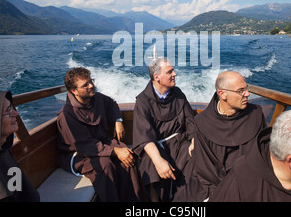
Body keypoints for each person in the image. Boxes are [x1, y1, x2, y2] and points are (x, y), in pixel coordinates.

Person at [174, 70, 266, 202]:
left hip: (250, 182)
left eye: (246, 89)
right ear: (222, 94)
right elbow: (205, 169)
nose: (247, 94)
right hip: (214, 184)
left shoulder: (256, 114)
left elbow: (262, 154)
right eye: (241, 91)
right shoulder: (202, 122)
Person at [56, 67, 142, 202]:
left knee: (128, 158)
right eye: (85, 85)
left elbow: (112, 104)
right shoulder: (67, 115)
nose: (91, 86)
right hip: (78, 154)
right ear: (74, 91)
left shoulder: (97, 98)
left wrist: (118, 120)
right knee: (105, 165)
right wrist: (115, 151)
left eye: (91, 81)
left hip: (102, 143)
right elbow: (84, 145)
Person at [132, 58, 195, 201]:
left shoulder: (178, 93)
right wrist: (159, 160)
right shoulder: (142, 101)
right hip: (156, 146)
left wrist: (194, 140)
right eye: (170, 71)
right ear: (157, 77)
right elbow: (144, 136)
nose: (175, 74)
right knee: (151, 163)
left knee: (196, 154)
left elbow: (190, 121)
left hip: (180, 143)